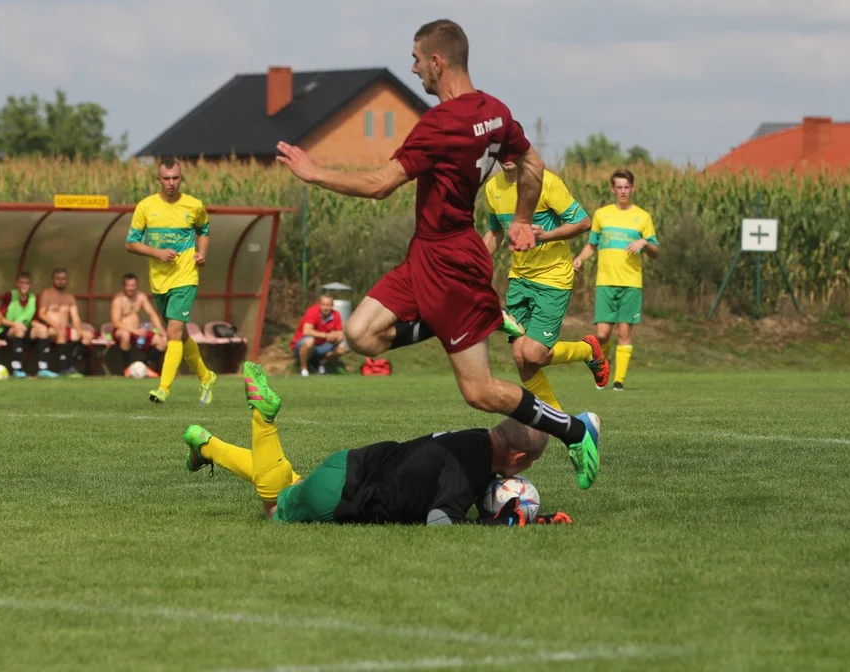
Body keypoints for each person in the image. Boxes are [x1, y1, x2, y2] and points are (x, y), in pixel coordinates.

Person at [276, 19, 600, 490]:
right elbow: (533, 164)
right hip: (425, 255)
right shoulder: (495, 111)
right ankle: (465, 319)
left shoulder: (440, 124)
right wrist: (524, 218)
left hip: (452, 263)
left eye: (415, 59)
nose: (412, 69)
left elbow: (380, 184)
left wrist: (314, 173)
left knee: (480, 392)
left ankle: (576, 428)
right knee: (362, 335)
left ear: (437, 61)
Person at [181, 362, 575, 526]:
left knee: (291, 481)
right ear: (519, 457)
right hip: (344, 493)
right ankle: (263, 418)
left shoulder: (475, 441)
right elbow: (441, 521)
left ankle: (205, 445)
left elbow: (456, 491)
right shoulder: (471, 468)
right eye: (530, 465)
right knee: (273, 508)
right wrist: (500, 526)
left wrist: (529, 517)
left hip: (350, 465)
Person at [483, 159, 610, 406]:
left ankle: (587, 351)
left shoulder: (546, 182)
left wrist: (546, 235)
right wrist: (472, 262)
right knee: (522, 360)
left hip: (553, 277)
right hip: (519, 280)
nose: (508, 155)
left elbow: (583, 222)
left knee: (533, 354)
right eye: (502, 149)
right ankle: (558, 421)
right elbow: (495, 231)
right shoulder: (492, 188)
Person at [125, 156, 217, 404]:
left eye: (175, 178)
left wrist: (202, 253)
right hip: (159, 280)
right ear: (159, 179)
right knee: (180, 333)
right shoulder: (145, 207)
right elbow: (131, 243)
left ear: (181, 178)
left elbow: (204, 231)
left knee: (173, 332)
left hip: (186, 277)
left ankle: (163, 388)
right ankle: (206, 377)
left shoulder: (194, 205)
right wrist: (157, 253)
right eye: (166, 178)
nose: (171, 183)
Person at [573, 169, 659, 390]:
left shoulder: (642, 217)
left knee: (624, 332)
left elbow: (656, 250)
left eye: (626, 186)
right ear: (612, 189)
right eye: (618, 187)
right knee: (602, 334)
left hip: (631, 283)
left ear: (632, 188)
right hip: (605, 281)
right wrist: (580, 259)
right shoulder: (602, 214)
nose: (622, 191)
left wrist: (644, 243)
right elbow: (592, 245)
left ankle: (619, 381)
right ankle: (605, 363)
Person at [110, 272, 167, 377]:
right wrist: (134, 330)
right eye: (128, 286)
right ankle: (127, 369)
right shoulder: (118, 299)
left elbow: (152, 314)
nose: (130, 288)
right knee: (125, 334)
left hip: (138, 332)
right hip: (122, 331)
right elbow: (116, 322)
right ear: (124, 286)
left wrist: (161, 330)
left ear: (136, 285)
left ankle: (144, 367)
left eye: (133, 286)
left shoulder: (141, 296)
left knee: (163, 341)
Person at [36, 268, 88, 378]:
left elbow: (75, 317)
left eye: (63, 279)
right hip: (51, 328)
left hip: (65, 328)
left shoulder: (69, 297)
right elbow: (41, 314)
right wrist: (54, 324)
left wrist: (79, 330)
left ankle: (71, 367)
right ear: (53, 280)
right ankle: (64, 369)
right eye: (58, 279)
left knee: (88, 335)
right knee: (60, 333)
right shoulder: (47, 293)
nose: (61, 281)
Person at [0, 271, 41, 378]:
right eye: (22, 282)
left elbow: (34, 319)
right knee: (18, 331)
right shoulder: (10, 296)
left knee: (43, 331)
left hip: (25, 328)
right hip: (7, 329)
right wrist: (14, 324)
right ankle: (17, 368)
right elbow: (0, 318)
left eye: (27, 283)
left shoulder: (34, 298)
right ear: (17, 283)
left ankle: (43, 369)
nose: (24, 285)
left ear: (30, 285)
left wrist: (38, 325)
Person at [290, 294, 347, 377]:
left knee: (341, 348)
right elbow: (307, 331)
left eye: (328, 305)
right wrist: (326, 335)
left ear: (332, 305)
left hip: (322, 346)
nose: (325, 308)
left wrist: (335, 336)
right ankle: (303, 369)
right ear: (319, 304)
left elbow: (340, 334)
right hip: (302, 344)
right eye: (323, 304)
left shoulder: (336, 315)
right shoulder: (312, 311)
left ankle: (320, 363)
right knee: (310, 341)